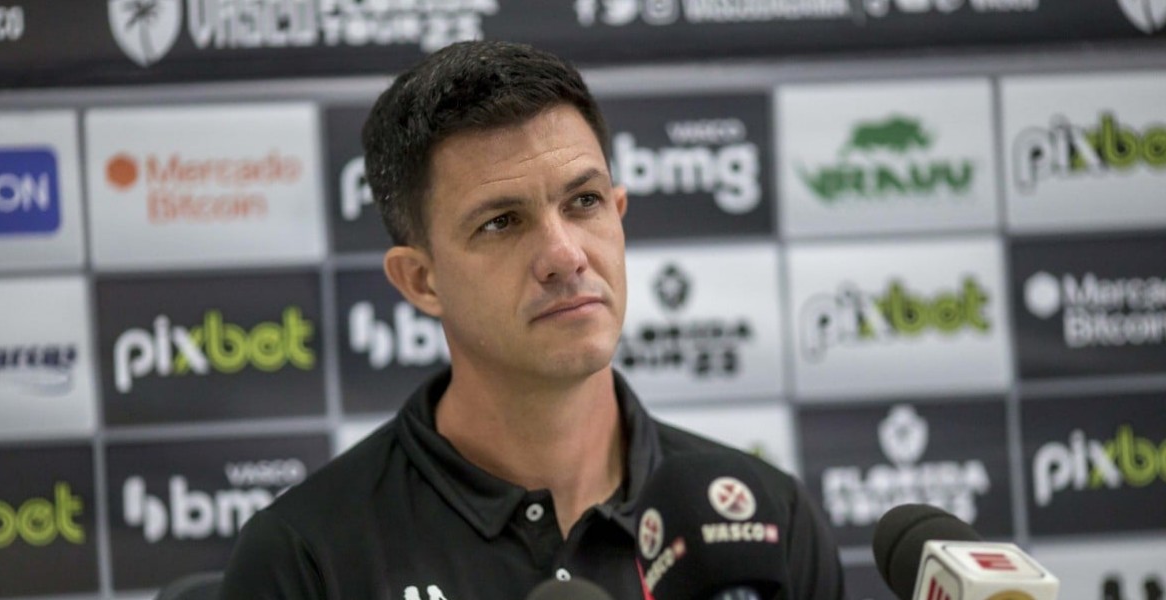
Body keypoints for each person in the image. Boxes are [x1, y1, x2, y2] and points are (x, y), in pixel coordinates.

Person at [220, 40, 844, 599]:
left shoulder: (765, 518)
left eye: (584, 202)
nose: (565, 255)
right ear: (421, 280)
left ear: (619, 213)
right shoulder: (306, 557)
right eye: (501, 222)